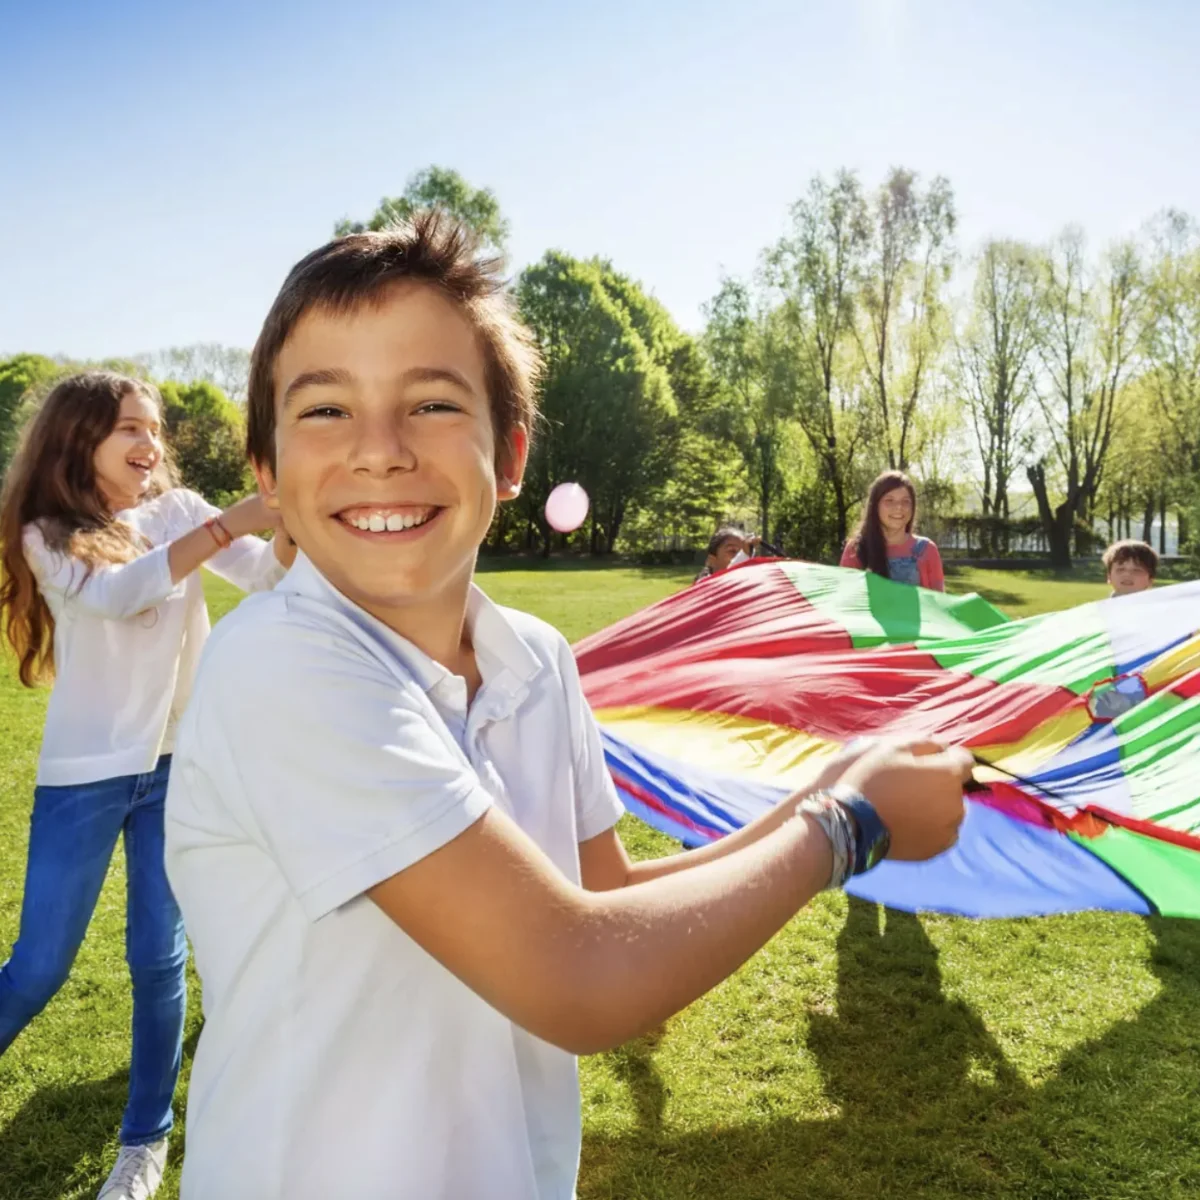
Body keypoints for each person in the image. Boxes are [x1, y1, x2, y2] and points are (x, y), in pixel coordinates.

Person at [164, 213, 972, 1200]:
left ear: (510, 457)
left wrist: (828, 786)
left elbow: (605, 905)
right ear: (267, 473)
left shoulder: (539, 660)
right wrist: (844, 828)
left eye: (431, 403)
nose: (379, 451)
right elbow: (581, 977)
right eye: (326, 409)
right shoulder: (277, 664)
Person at [0, 371, 294, 1200]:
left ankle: (144, 1142)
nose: (151, 443)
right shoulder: (44, 533)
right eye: (131, 427)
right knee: (39, 968)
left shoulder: (178, 511)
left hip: (176, 770)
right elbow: (119, 593)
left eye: (155, 429)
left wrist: (290, 522)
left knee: (159, 960)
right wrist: (233, 520)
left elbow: (265, 577)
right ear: (78, 438)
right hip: (85, 778)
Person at [840, 470, 944, 592]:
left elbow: (939, 600)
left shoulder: (927, 549)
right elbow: (845, 598)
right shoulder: (856, 549)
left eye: (905, 501)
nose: (899, 507)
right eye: (889, 500)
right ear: (875, 506)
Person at [694, 528, 781, 583]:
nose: (744, 557)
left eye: (748, 553)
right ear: (711, 561)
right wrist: (744, 554)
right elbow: (724, 584)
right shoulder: (702, 586)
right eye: (732, 551)